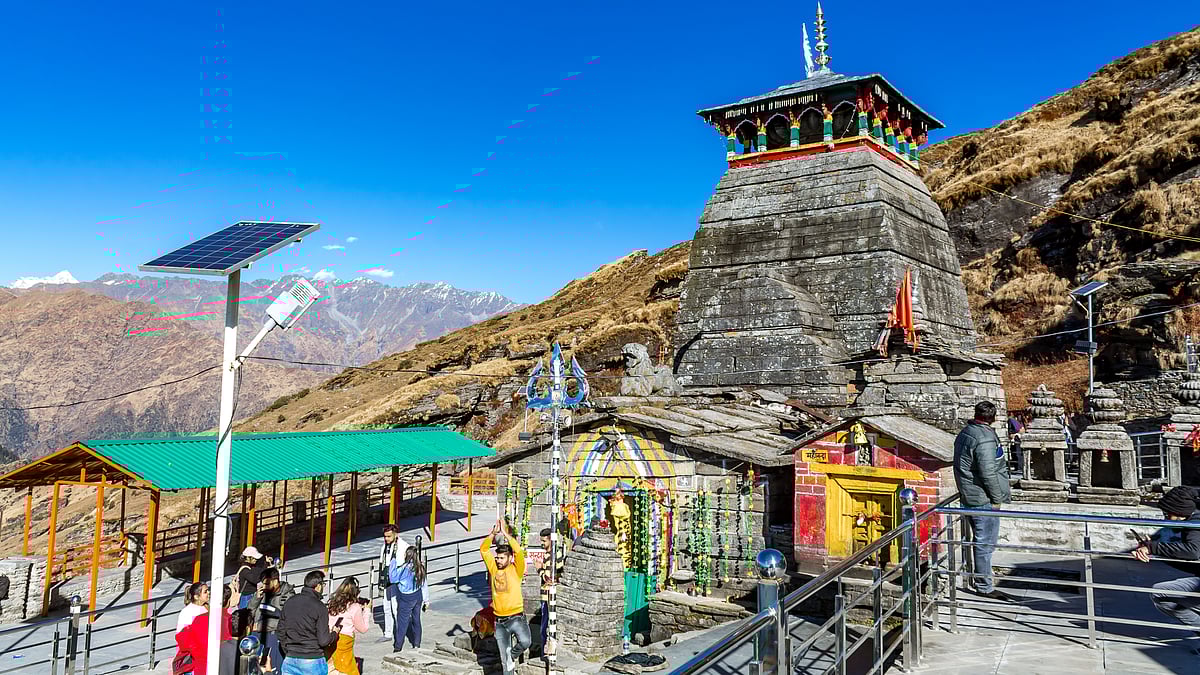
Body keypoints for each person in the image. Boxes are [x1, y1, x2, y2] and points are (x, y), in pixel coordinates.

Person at [953, 400, 1016, 601]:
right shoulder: (985, 439)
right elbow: (988, 472)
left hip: (969, 494)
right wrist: (997, 498)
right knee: (985, 543)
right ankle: (984, 586)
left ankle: (979, 579)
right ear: (994, 417)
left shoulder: (966, 432)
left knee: (979, 541)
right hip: (982, 497)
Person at [1132, 486, 1200, 637]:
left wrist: (1153, 548)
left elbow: (1192, 552)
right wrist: (1153, 551)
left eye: (1167, 514)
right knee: (1161, 593)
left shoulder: (1195, 524)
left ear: (1179, 511)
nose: (1166, 518)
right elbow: (1192, 560)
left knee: (1161, 594)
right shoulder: (1192, 520)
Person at [481, 519, 529, 675]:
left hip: (516, 617)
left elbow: (519, 551)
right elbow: (484, 550)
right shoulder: (493, 568)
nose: (498, 560)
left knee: (525, 642)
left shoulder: (517, 569)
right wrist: (492, 535)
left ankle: (512, 655)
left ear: (509, 558)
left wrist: (506, 535)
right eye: (498, 558)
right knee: (504, 662)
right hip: (499, 621)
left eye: (502, 558)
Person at [278, 571, 342, 675]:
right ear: (318, 586)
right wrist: (335, 634)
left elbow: (281, 632)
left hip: (290, 658)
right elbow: (324, 641)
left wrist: (289, 650)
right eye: (323, 584)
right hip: (312, 658)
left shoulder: (289, 602)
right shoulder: (319, 607)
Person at [174, 588, 235, 675]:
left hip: (201, 667)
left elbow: (183, 641)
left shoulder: (199, 619)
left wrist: (196, 652)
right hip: (224, 667)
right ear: (228, 601)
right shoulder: (230, 621)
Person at [248, 567, 295, 673]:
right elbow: (250, 612)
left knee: (274, 667)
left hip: (275, 638)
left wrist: (259, 626)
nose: (264, 587)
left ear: (275, 581)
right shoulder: (264, 593)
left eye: (267, 583)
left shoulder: (287, 596)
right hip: (259, 637)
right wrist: (256, 598)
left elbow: (285, 620)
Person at [325, 577, 371, 675]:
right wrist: (367, 610)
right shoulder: (354, 607)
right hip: (345, 643)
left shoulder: (332, 603)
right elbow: (363, 629)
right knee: (348, 670)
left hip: (331, 639)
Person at [389, 545, 429, 652]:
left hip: (406, 598)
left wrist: (392, 561)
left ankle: (398, 646)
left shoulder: (403, 569)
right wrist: (426, 600)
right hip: (418, 595)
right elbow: (424, 584)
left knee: (402, 622)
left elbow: (392, 578)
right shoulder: (420, 567)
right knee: (416, 620)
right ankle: (417, 643)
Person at [536, 527, 566, 656]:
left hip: (550, 595)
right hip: (545, 595)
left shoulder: (555, 555)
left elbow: (551, 578)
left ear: (550, 540)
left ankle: (547, 653)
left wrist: (539, 570)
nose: (542, 544)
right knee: (544, 626)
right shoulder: (548, 554)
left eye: (544, 541)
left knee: (546, 627)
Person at [377, 524, 410, 640]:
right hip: (386, 579)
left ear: (396, 535)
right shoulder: (385, 546)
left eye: (389, 536)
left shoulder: (403, 546)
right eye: (385, 536)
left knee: (396, 608)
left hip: (397, 580)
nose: (386, 539)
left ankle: (400, 633)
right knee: (386, 606)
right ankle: (388, 633)